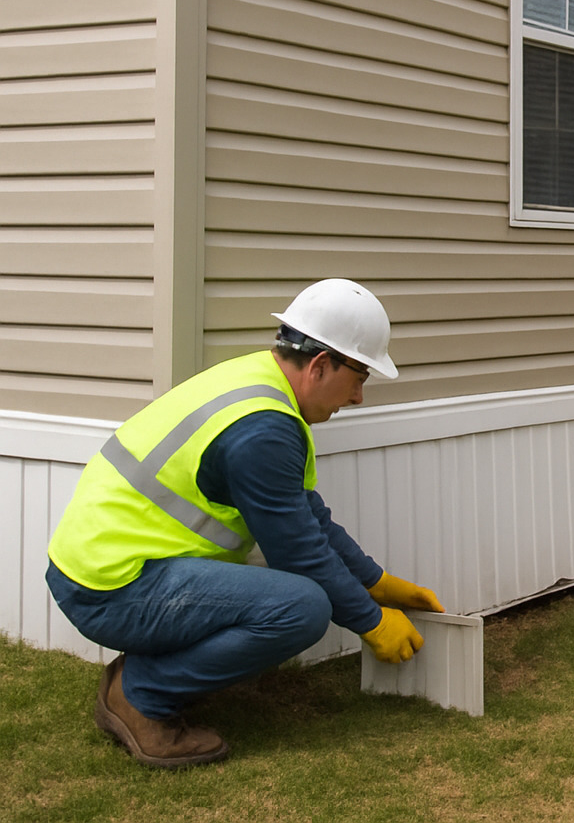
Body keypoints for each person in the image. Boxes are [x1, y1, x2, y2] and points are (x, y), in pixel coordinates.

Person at [46, 279, 445, 768]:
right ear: (321, 365)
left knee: (298, 596)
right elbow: (298, 551)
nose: (359, 396)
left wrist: (375, 581)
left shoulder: (258, 386)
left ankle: (146, 678)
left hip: (107, 568)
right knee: (301, 608)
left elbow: (303, 513)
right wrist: (370, 620)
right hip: (110, 587)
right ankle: (139, 696)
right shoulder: (263, 430)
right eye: (359, 376)